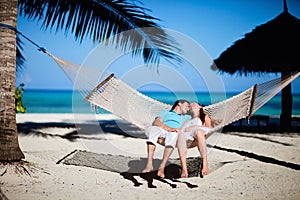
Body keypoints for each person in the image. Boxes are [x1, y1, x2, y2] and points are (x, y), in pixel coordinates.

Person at [142, 99, 191, 178]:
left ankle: (162, 166)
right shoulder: (165, 112)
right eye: (187, 106)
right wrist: (169, 128)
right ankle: (149, 164)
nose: (188, 109)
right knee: (152, 129)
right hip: (162, 129)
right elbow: (157, 122)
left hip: (174, 133)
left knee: (173, 136)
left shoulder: (186, 117)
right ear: (179, 104)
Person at [177, 102, 212, 178]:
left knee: (199, 132)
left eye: (193, 103)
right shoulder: (187, 120)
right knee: (181, 136)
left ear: (200, 107)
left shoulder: (204, 117)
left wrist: (195, 127)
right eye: (190, 105)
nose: (191, 104)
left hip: (198, 133)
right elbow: (180, 130)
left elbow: (209, 129)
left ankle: (205, 163)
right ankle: (184, 168)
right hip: (187, 136)